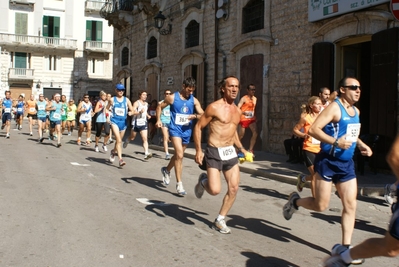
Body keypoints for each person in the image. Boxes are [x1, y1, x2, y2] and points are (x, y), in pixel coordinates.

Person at [283, 77, 373, 263]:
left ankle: (345, 249)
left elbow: (352, 135)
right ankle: (295, 202)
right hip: (328, 162)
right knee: (320, 206)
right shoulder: (334, 108)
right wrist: (335, 142)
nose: (358, 91)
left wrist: (363, 145)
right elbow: (314, 129)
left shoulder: (355, 111)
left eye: (359, 88)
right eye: (353, 87)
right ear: (342, 89)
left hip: (346, 165)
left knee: (350, 205)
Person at [323, 134, 399, 267]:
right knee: (391, 248)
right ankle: (343, 257)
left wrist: (361, 144)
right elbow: (395, 156)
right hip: (328, 161)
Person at [193, 76, 249, 234]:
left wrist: (242, 149)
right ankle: (203, 182)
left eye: (237, 86)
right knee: (215, 190)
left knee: (234, 188)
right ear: (223, 88)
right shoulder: (214, 107)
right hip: (214, 151)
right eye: (230, 86)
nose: (234, 89)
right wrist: (198, 150)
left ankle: (220, 219)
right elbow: (198, 127)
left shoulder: (238, 111)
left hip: (230, 151)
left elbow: (233, 133)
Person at [156, 77, 204, 196]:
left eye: (193, 91)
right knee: (180, 155)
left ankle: (166, 170)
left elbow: (203, 114)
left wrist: (194, 116)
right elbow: (159, 107)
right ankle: (179, 184)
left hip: (187, 130)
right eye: (189, 90)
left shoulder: (194, 100)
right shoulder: (172, 97)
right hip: (175, 130)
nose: (191, 93)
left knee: (178, 155)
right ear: (183, 87)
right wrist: (158, 120)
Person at [293, 96, 322, 193]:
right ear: (311, 105)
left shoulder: (323, 117)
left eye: (320, 104)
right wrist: (303, 135)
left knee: (319, 174)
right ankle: (315, 199)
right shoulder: (306, 118)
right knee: (315, 174)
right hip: (309, 148)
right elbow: (295, 130)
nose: (319, 106)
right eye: (317, 104)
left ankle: (303, 178)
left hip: (321, 149)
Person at [107, 83, 134, 167]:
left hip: (123, 122)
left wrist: (131, 112)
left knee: (118, 141)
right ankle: (120, 159)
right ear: (116, 90)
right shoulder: (112, 99)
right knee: (119, 140)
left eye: (122, 90)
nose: (121, 91)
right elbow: (106, 109)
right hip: (114, 121)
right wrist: (108, 117)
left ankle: (113, 152)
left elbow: (132, 109)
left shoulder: (126, 100)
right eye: (119, 90)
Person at [123, 91, 153, 160]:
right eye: (143, 95)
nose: (145, 96)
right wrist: (139, 112)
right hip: (136, 123)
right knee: (132, 137)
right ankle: (127, 140)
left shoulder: (146, 104)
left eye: (146, 95)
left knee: (145, 139)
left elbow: (144, 112)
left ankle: (146, 153)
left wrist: (148, 115)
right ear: (140, 95)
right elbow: (132, 112)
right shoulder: (136, 103)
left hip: (143, 122)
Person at [237, 84, 258, 155]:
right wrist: (243, 113)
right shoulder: (244, 98)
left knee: (255, 133)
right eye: (251, 89)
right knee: (241, 135)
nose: (253, 91)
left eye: (254, 89)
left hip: (251, 118)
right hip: (243, 118)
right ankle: (237, 148)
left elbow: (254, 109)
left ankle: (250, 149)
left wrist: (255, 116)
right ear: (248, 90)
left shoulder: (255, 99)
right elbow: (238, 107)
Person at [159, 90, 172, 160]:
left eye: (170, 94)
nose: (168, 95)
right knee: (165, 137)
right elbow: (158, 111)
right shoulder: (161, 103)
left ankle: (161, 139)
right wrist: (159, 120)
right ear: (164, 95)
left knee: (170, 138)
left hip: (171, 122)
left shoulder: (172, 103)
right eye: (167, 93)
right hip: (164, 121)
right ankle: (167, 154)